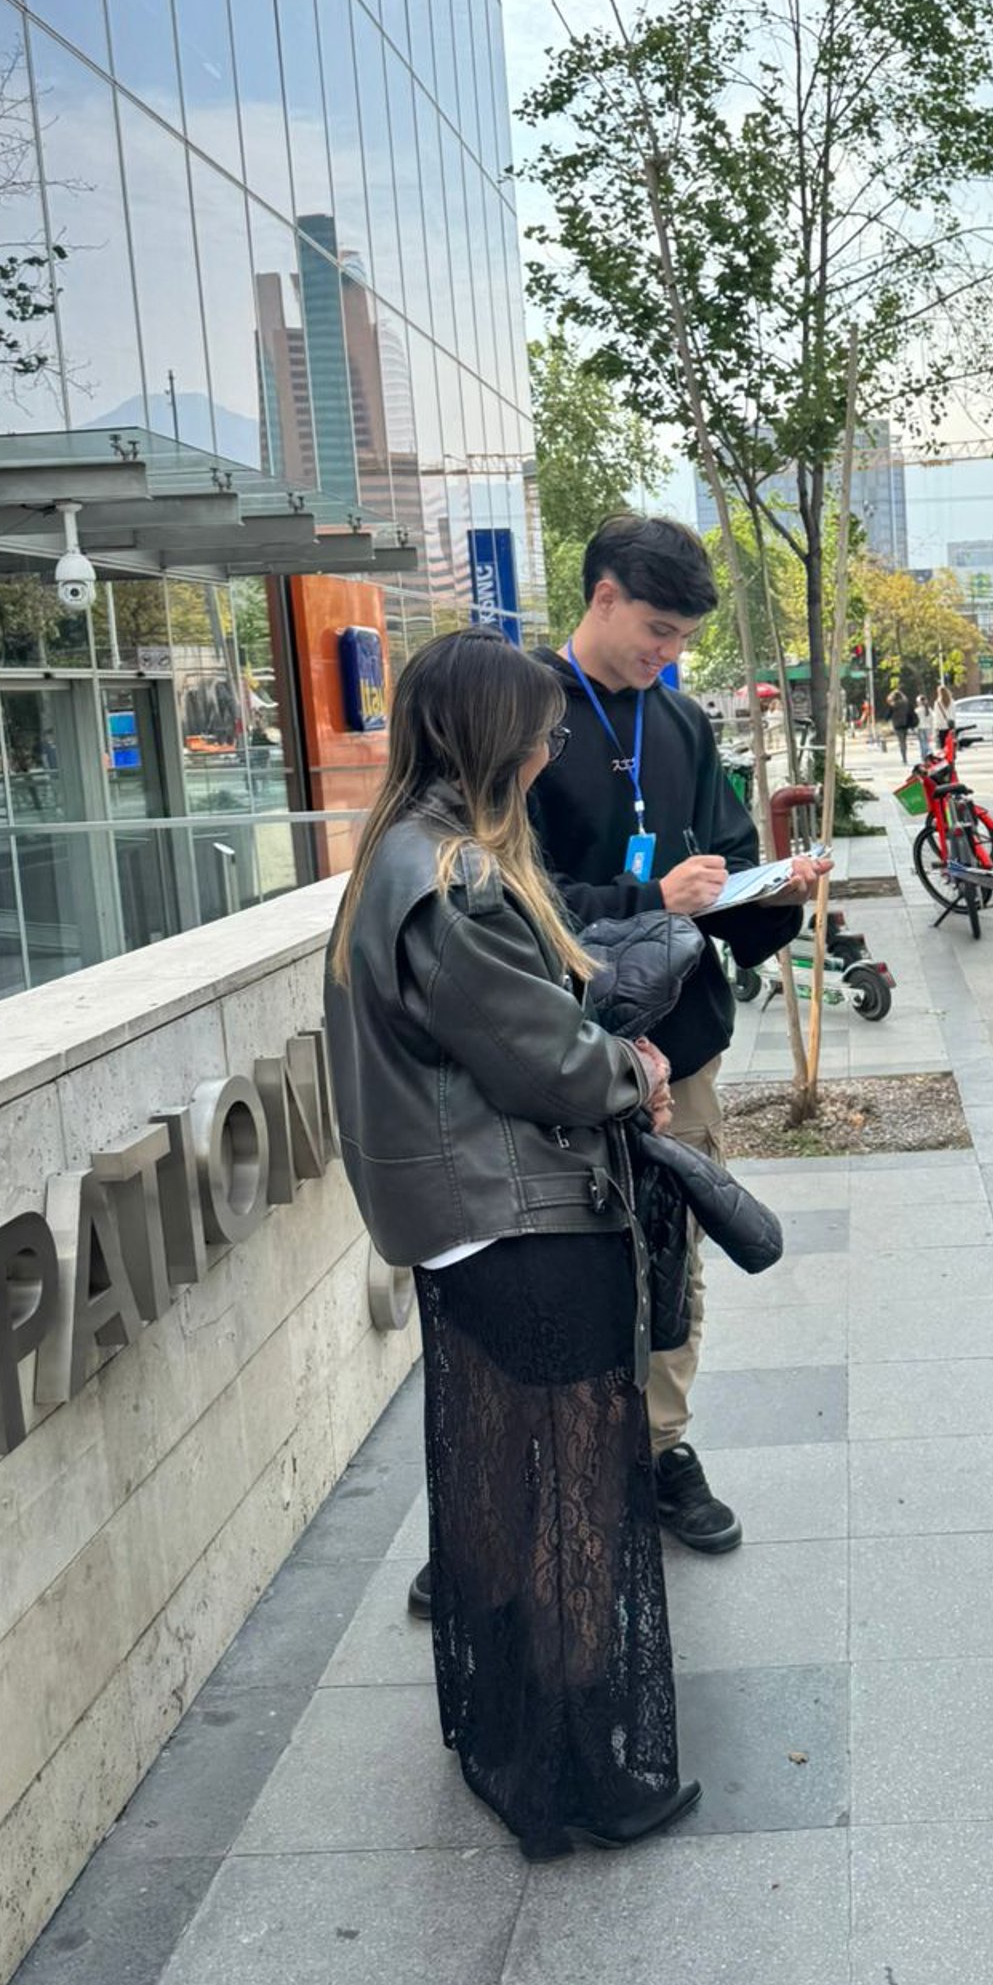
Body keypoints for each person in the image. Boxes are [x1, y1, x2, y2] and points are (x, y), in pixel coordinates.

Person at [324, 629, 699, 1857]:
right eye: (539, 730)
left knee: (494, 1483)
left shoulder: (401, 855)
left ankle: (510, 1731)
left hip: (464, 1223)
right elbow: (541, 1056)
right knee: (569, 1491)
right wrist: (631, 1065)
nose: (552, 749)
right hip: (524, 1220)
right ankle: (583, 1764)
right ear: (497, 738)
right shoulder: (458, 879)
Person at [527, 511, 825, 1555]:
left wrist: (772, 890)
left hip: (679, 1049)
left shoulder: (683, 720)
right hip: (555, 1051)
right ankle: (553, 1472)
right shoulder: (526, 715)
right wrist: (647, 890)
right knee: (558, 1261)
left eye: (684, 639)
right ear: (601, 595)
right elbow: (508, 896)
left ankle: (657, 1449)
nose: (668, 654)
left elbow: (725, 859)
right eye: (657, 629)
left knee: (672, 1246)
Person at [889, 682, 917, 765]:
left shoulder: (893, 705)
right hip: (905, 724)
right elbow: (911, 712)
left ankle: (904, 757)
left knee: (901, 741)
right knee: (903, 740)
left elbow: (888, 715)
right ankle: (904, 755)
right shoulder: (906, 704)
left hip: (897, 725)